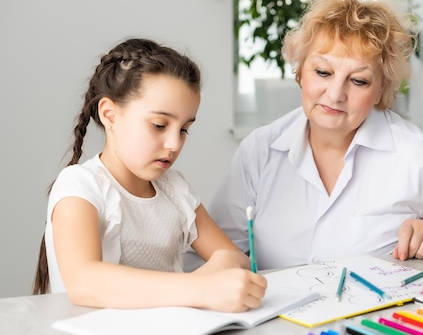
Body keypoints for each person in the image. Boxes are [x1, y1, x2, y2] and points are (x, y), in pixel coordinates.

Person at [209, 0, 423, 270]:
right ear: (300, 71)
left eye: (359, 81)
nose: (335, 94)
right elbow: (216, 248)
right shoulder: (259, 151)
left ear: (381, 89)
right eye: (323, 72)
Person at [33, 38, 266, 312]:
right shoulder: (80, 185)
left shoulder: (176, 189)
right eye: (159, 125)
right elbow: (85, 283)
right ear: (109, 114)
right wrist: (199, 288)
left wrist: (226, 263)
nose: (175, 144)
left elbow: (234, 260)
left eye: (184, 129)